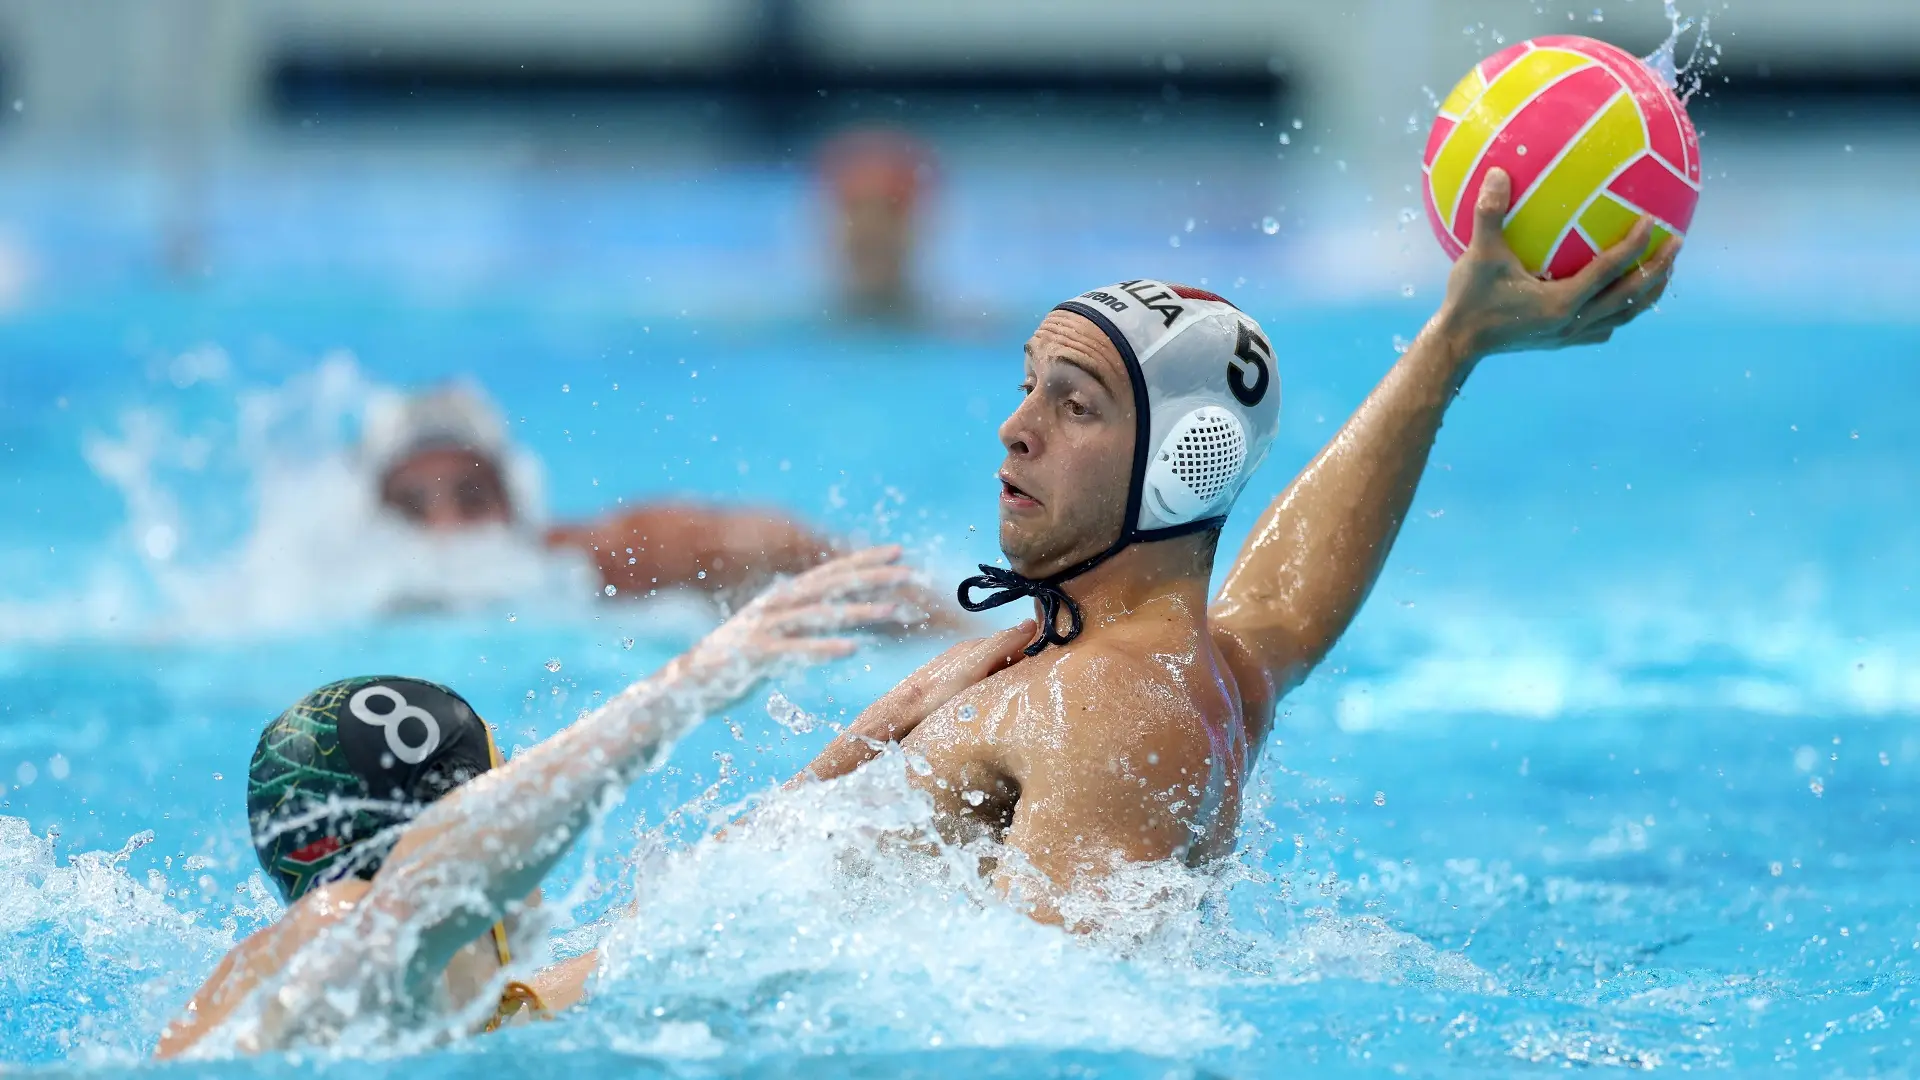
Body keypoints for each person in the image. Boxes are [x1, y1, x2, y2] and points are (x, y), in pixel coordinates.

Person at [793, 169, 1681, 922]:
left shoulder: (1106, 709)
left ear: (1185, 460)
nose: (1014, 428)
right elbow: (1287, 605)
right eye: (1029, 387)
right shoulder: (1203, 673)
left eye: (1074, 404)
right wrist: (1453, 343)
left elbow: (1047, 1028)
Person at [156, 547, 927, 1058]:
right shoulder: (339, 931)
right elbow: (424, 886)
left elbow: (674, 923)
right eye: (503, 775)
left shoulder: (464, 1005)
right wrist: (695, 679)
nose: (527, 784)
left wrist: (886, 750)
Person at [364, 383, 830, 597]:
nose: (446, 528)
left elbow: (774, 540)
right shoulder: (345, 592)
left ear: (513, 502)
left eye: (472, 497)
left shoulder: (587, 565)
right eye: (410, 507)